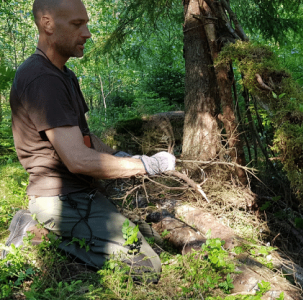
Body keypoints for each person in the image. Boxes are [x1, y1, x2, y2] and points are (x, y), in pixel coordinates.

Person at [6, 0, 176, 278]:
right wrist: (146, 165)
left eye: (86, 23)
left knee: (146, 232)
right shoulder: (41, 79)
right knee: (145, 267)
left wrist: (122, 159)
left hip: (79, 190)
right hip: (60, 197)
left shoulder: (63, 75)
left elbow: (85, 138)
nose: (87, 33)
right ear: (47, 23)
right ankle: (36, 231)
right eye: (77, 24)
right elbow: (77, 160)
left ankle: (56, 231)